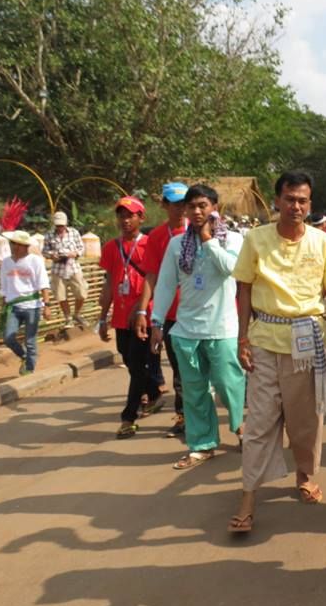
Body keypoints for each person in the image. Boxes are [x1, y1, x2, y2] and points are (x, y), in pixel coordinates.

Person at [229, 171, 326, 532]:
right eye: (289, 199)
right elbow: (244, 290)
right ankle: (248, 496)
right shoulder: (255, 239)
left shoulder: (323, 242)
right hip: (264, 339)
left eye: (302, 200)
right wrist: (242, 339)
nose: (296, 206)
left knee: (305, 419)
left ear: (309, 204)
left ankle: (304, 474)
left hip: (308, 339)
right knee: (259, 422)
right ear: (277, 200)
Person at [150, 184, 245, 468]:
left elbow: (232, 269)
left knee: (229, 384)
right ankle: (202, 444)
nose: (197, 211)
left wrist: (208, 240)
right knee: (194, 393)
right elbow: (166, 284)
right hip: (186, 330)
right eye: (191, 206)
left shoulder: (232, 240)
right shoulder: (177, 244)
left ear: (214, 207)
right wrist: (157, 321)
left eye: (203, 205)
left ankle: (241, 428)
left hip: (222, 328)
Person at [98, 196, 160, 438]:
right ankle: (153, 392)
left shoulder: (150, 244)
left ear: (141, 218)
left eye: (130, 216)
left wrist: (142, 308)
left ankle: (128, 417)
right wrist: (102, 317)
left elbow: (156, 279)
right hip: (121, 317)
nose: (125, 220)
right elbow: (108, 283)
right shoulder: (111, 247)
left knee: (136, 363)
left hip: (144, 316)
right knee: (130, 361)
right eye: (121, 216)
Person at [135, 182, 189, 438]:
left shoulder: (202, 230)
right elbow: (151, 275)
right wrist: (142, 312)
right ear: (164, 205)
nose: (180, 208)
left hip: (201, 313)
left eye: (184, 202)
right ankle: (184, 416)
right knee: (179, 370)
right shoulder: (157, 237)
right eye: (174, 203)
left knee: (210, 371)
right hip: (171, 314)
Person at [0, 230, 51, 375]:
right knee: (8, 338)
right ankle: (24, 356)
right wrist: (3, 306)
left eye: (18, 244)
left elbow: (43, 284)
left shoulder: (35, 261)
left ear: (26, 246)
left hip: (32, 306)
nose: (15, 247)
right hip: (13, 306)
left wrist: (47, 306)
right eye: (13, 243)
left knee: (30, 340)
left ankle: (29, 369)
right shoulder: (6, 263)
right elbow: (4, 286)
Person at [42, 211, 88, 329]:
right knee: (61, 295)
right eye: (58, 225)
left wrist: (75, 253)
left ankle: (77, 314)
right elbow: (44, 251)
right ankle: (68, 318)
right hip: (58, 268)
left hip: (73, 266)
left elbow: (81, 248)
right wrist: (52, 255)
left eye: (61, 225)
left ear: (66, 224)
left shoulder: (74, 232)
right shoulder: (49, 235)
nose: (60, 227)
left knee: (81, 293)